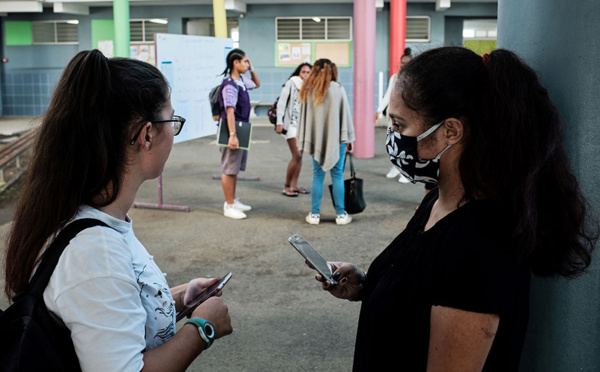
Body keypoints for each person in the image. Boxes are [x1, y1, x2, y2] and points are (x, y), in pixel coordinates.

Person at [312, 47, 598, 371]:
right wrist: (367, 285)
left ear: (450, 131)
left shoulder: (480, 243)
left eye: (399, 125)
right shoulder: (438, 198)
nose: (392, 137)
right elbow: (423, 293)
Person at [3, 50, 233, 371]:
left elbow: (109, 308)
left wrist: (178, 298)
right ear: (147, 134)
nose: (173, 132)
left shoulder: (90, 217)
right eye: (172, 120)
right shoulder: (95, 251)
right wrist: (202, 330)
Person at [297, 59, 355, 225]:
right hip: (337, 140)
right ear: (332, 71)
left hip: (316, 141)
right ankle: (341, 215)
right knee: (337, 175)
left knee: (317, 175)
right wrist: (349, 138)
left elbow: (304, 119)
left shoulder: (308, 90)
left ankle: (314, 215)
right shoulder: (338, 89)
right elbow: (346, 116)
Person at [218, 48, 260, 219]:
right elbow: (229, 111)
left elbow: (256, 84)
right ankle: (228, 205)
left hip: (241, 127)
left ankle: (233, 200)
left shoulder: (241, 80)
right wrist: (232, 135)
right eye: (244, 61)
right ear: (235, 63)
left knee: (234, 168)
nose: (247, 64)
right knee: (229, 169)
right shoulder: (230, 84)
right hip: (232, 129)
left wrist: (251, 68)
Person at [374, 47, 412, 183]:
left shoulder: (415, 78)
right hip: (394, 116)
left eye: (407, 63)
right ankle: (395, 167)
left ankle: (406, 172)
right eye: (402, 63)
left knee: (406, 144)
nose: (404, 65)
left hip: (408, 118)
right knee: (393, 142)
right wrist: (379, 110)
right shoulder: (394, 77)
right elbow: (388, 95)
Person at [275, 62, 312, 197]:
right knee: (296, 155)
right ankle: (286, 186)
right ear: (298, 73)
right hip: (291, 125)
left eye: (308, 73)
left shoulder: (310, 87)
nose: (305, 75)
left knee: (299, 156)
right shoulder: (292, 82)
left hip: (302, 126)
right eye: (303, 72)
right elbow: (282, 103)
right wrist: (279, 122)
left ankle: (294, 185)